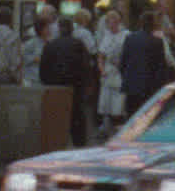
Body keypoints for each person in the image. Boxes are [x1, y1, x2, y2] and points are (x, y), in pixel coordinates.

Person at [40, 17, 95, 147]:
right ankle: (79, 144)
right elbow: (86, 66)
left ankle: (57, 142)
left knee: (57, 116)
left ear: (59, 29)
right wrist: (88, 85)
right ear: (72, 29)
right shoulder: (79, 44)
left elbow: (43, 69)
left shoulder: (51, 45)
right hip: (76, 86)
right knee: (77, 116)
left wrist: (48, 83)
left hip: (56, 87)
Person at [119, 11, 174, 118]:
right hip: (149, 86)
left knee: (132, 116)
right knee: (146, 117)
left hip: (132, 85)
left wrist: (126, 77)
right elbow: (160, 67)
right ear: (153, 24)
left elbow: (123, 62)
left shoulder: (130, 38)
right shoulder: (157, 42)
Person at [95, 8, 128, 136]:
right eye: (108, 20)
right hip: (108, 73)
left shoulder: (126, 35)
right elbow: (100, 56)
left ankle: (119, 128)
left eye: (113, 19)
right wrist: (101, 69)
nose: (110, 22)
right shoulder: (106, 36)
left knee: (118, 104)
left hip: (120, 74)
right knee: (105, 103)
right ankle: (105, 126)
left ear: (119, 20)